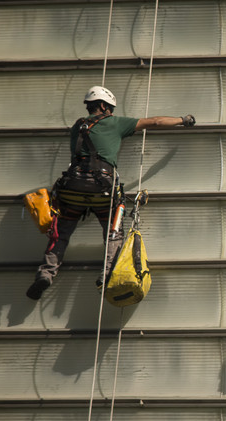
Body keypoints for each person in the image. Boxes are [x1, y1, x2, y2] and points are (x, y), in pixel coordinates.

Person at [26, 86, 195, 300]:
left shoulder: (77, 126)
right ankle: (107, 275)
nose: (113, 113)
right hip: (101, 188)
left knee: (60, 233)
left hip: (72, 187)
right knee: (113, 231)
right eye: (111, 109)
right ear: (104, 106)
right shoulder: (114, 123)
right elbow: (154, 122)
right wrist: (183, 119)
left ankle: (46, 274)